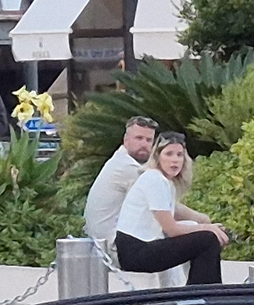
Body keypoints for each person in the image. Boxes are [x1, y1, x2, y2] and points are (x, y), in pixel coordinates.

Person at [114, 133, 226, 284]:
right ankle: (203, 297)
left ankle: (200, 293)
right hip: (136, 252)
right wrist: (207, 228)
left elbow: (173, 218)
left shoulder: (165, 182)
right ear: (158, 157)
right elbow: (171, 230)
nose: (175, 160)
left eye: (179, 155)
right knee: (207, 240)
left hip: (146, 246)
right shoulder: (154, 179)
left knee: (202, 235)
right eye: (169, 154)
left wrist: (203, 225)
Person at [83, 116, 158, 244]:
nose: (144, 144)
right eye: (139, 138)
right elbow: (162, 206)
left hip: (105, 241)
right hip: (111, 246)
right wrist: (202, 219)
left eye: (149, 140)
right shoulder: (127, 167)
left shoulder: (121, 160)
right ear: (126, 140)